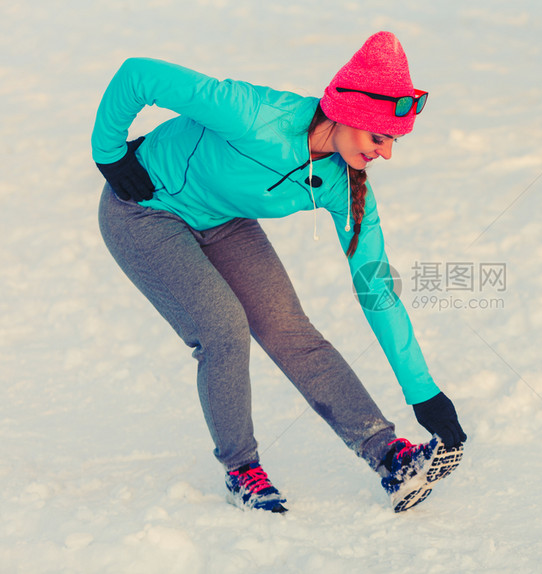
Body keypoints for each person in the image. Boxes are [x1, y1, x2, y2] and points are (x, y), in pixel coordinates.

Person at [92, 31, 466, 514]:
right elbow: (138, 75)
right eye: (380, 137)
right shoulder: (252, 114)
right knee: (223, 329)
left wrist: (424, 394)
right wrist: (110, 155)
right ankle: (241, 469)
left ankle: (389, 455)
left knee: (291, 330)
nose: (387, 153)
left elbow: (376, 288)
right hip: (142, 211)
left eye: (392, 141)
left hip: (222, 219)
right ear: (348, 115)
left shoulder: (345, 185)